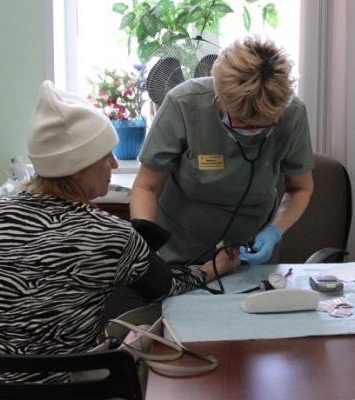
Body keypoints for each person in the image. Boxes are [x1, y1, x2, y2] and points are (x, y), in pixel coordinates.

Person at [0, 81, 239, 381]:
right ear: (78, 168)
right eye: (107, 156)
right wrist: (214, 268)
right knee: (144, 334)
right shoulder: (109, 234)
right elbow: (164, 286)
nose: (115, 165)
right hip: (61, 387)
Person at [131, 34, 315, 266]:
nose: (254, 130)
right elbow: (146, 186)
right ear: (219, 96)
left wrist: (275, 230)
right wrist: (147, 245)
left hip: (251, 247)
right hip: (181, 246)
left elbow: (300, 188)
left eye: (266, 123)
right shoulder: (184, 104)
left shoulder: (292, 112)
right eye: (243, 122)